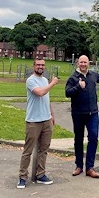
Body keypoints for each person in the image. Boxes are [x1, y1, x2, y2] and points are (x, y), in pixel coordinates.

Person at [17, 58, 59, 189]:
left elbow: (46, 97)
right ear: (34, 66)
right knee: (28, 150)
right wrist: (53, 83)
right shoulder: (31, 80)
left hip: (46, 120)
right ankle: (22, 177)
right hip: (33, 121)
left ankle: (40, 175)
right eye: (38, 65)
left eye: (43, 65)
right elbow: (40, 93)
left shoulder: (44, 80)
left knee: (44, 149)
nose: (41, 67)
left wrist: (51, 114)